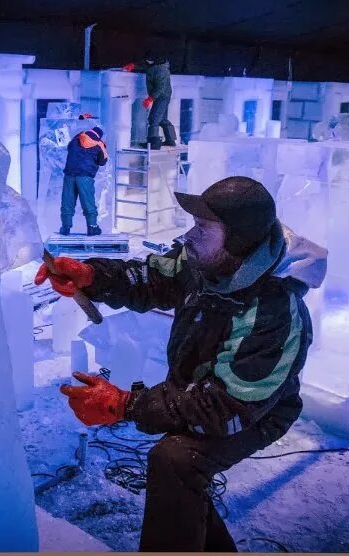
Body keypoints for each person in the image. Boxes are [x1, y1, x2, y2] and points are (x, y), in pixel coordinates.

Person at [35, 176, 327, 551]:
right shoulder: (203, 263)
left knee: (177, 460)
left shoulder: (271, 310)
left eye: (204, 228)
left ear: (237, 241)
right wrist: (91, 276)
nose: (190, 236)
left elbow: (224, 408)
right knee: (181, 478)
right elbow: (149, 279)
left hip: (257, 408)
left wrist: (125, 405)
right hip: (203, 389)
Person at [60, 114, 109, 236]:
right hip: (85, 177)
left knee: (68, 201)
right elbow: (103, 161)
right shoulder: (99, 144)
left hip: (69, 174)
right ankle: (92, 227)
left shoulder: (76, 138)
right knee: (88, 202)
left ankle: (65, 227)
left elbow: (69, 148)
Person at [123, 52, 177, 150]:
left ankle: (154, 142)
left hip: (162, 97)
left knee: (154, 119)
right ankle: (171, 140)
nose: (146, 62)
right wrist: (133, 66)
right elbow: (145, 65)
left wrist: (150, 98)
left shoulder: (161, 70)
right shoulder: (153, 65)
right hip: (161, 96)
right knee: (162, 119)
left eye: (148, 60)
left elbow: (160, 87)